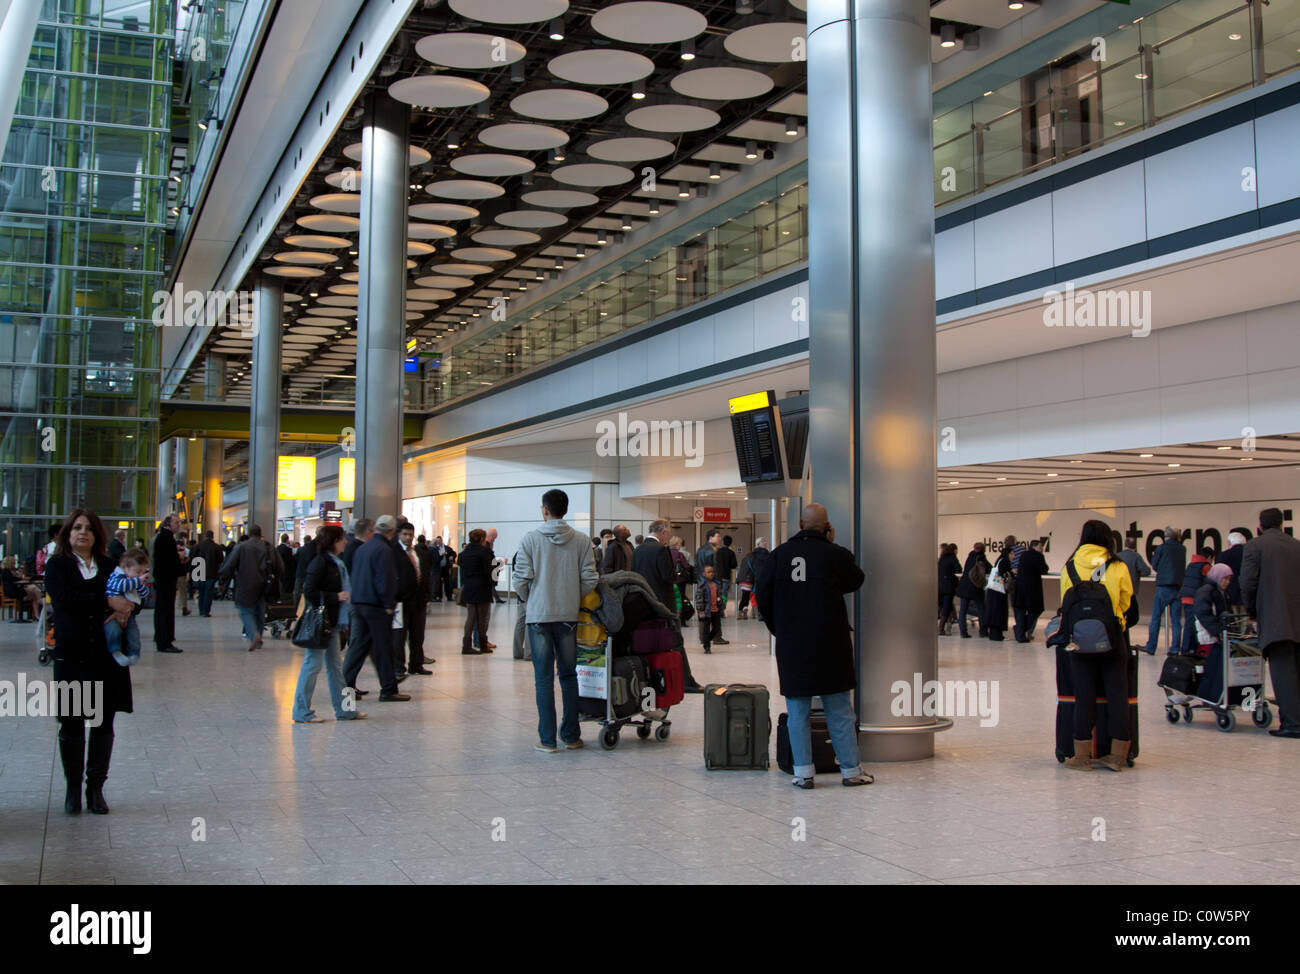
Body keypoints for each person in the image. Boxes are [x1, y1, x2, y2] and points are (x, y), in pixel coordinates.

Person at [754, 502, 872, 789]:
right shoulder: (835, 555)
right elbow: (855, 580)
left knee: (798, 711)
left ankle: (803, 772)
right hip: (831, 643)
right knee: (840, 710)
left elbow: (763, 595)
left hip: (793, 644)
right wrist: (833, 545)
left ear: (800, 523)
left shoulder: (779, 555)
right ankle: (851, 771)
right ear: (827, 526)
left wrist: (778, 629)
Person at [44, 509, 135, 814]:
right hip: (72, 655)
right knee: (72, 725)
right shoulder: (57, 565)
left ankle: (95, 788)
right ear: (67, 534)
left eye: (89, 529)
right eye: (77, 528)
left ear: (97, 535)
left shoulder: (110, 566)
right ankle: (72, 789)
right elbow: (65, 602)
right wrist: (106, 602)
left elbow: (129, 598)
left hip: (105, 656)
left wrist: (124, 608)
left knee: (103, 722)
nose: (83, 532)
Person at [513, 488, 598, 753]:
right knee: (569, 676)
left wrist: (533, 599)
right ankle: (571, 736)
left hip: (538, 617)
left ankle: (547, 739)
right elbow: (590, 579)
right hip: (568, 617)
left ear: (544, 509)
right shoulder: (582, 541)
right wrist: (571, 596)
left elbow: (520, 580)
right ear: (565, 509)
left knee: (543, 679)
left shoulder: (530, 539)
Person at [1059, 519, 1134, 772]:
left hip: (1079, 642)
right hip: (1113, 639)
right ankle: (1117, 755)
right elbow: (1126, 601)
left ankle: (1081, 756)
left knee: (1083, 696)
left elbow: (1065, 604)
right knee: (1117, 695)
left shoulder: (1069, 566)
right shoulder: (1118, 565)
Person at [294, 523, 367, 723]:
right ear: (334, 542)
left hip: (333, 623)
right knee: (312, 665)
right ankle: (301, 711)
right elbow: (309, 592)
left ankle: (346, 710)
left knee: (336, 668)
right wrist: (337, 596)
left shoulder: (336, 563)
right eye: (342, 538)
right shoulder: (320, 563)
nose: (345, 541)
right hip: (322, 624)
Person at [1240, 508, 1300, 738]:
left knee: (1283, 672)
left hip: (1276, 619)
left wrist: (1252, 611)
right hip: (1296, 617)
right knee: (1296, 670)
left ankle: (1292, 724)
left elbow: (1247, 583)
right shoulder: (1296, 545)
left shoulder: (1255, 546)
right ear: (1282, 524)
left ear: (1260, 525)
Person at [342, 515, 409, 702]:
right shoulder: (384, 550)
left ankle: (345, 686)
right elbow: (385, 579)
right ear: (392, 531)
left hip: (359, 603)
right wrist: (388, 604)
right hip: (376, 606)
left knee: (358, 647)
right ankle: (388, 689)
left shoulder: (362, 548)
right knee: (383, 648)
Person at [633, 519, 702, 692]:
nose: (668, 538)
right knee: (676, 641)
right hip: (663, 604)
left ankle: (649, 682)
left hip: (643, 604)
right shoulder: (660, 550)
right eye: (668, 534)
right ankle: (686, 682)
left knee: (648, 643)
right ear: (662, 532)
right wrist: (678, 573)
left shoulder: (638, 549)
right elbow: (668, 577)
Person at [217, 525, 282, 652]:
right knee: (260, 612)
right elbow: (280, 567)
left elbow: (229, 565)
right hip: (264, 584)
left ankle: (253, 635)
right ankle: (259, 640)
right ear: (260, 533)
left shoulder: (241, 547)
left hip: (245, 584)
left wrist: (222, 579)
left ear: (249, 533)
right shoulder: (268, 547)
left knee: (246, 611)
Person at [393, 520, 431, 674]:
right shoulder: (393, 553)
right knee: (399, 637)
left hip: (418, 601)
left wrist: (426, 596)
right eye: (405, 534)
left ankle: (416, 664)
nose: (408, 537)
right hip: (401, 602)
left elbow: (424, 574)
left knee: (417, 636)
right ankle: (398, 667)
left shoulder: (417, 552)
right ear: (398, 535)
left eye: (410, 534)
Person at [1143, 526, 1186, 655]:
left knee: (1156, 618)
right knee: (1176, 620)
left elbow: (1154, 564)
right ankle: (1174, 649)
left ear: (1165, 536)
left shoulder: (1161, 548)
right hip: (1178, 587)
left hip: (1163, 586)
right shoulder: (1182, 549)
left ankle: (1151, 647)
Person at [104, 548, 151, 666]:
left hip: (130, 613)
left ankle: (134, 652)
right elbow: (120, 587)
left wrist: (140, 584)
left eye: (143, 572)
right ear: (124, 568)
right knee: (113, 631)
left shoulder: (134, 579)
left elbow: (144, 594)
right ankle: (115, 650)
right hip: (111, 613)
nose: (140, 575)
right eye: (138, 571)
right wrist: (137, 581)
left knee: (133, 633)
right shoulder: (117, 576)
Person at [458, 529, 495, 654]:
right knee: (482, 618)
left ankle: (466, 645)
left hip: (468, 587)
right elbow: (488, 570)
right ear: (482, 539)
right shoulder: (484, 552)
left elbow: (461, 566)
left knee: (470, 618)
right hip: (482, 587)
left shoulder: (464, 553)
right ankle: (483, 645)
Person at [149, 515, 183, 653]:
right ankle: (165, 641)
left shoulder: (162, 537)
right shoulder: (166, 538)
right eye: (176, 522)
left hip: (162, 579)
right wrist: (178, 559)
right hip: (166, 579)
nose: (178, 525)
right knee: (165, 610)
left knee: (162, 609)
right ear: (168, 524)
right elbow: (166, 561)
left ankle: (161, 638)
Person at [1176, 546, 1215, 655]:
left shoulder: (1191, 564)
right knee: (1192, 625)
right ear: (1210, 557)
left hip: (1185, 597)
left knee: (1190, 623)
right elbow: (1210, 581)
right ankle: (1186, 649)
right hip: (1194, 598)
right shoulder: (1206, 566)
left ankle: (1188, 648)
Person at [1012, 539, 1049, 643]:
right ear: (1035, 546)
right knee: (1036, 610)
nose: (1042, 549)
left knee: (1021, 611)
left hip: (1020, 588)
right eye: (1040, 546)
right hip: (1033, 588)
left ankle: (1020, 633)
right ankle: (1021, 631)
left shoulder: (1023, 555)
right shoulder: (1039, 556)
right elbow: (1044, 569)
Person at [956, 542, 991, 638]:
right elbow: (989, 569)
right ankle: (983, 631)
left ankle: (963, 631)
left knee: (963, 610)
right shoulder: (981, 558)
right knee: (981, 609)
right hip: (976, 587)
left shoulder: (969, 557)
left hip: (964, 586)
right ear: (983, 549)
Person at [984, 536, 1015, 641]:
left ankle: (995, 634)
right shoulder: (1005, 562)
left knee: (994, 612)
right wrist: (1011, 573)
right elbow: (1002, 574)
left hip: (994, 590)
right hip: (998, 591)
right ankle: (997, 634)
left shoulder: (1000, 560)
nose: (1013, 556)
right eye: (1011, 554)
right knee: (998, 612)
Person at [191, 530, 224, 617]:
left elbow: (193, 558)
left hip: (200, 571)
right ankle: (206, 611)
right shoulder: (216, 547)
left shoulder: (198, 546)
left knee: (201, 591)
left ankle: (201, 610)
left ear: (205, 536)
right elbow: (220, 560)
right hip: (211, 572)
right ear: (213, 536)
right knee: (208, 592)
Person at [693, 564, 725, 653]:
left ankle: (706, 640)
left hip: (716, 610)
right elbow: (699, 599)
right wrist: (700, 610)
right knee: (706, 629)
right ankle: (707, 647)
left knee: (717, 628)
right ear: (704, 574)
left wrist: (721, 606)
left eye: (712, 572)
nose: (711, 574)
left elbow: (719, 596)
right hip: (706, 611)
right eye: (708, 572)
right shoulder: (702, 585)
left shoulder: (717, 584)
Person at [1117, 537, 1151, 618]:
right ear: (1135, 547)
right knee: (1133, 616)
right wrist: (1137, 573)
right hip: (1130, 592)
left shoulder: (1117, 556)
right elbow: (1146, 571)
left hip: (1118, 591)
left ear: (1124, 545)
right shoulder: (1136, 556)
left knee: (1120, 615)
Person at [1219, 531, 1248, 614]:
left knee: (1233, 618)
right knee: (1243, 617)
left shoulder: (1224, 555)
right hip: (1245, 591)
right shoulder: (1249, 554)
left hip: (1230, 591)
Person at [936, 543, 961, 635]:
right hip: (949, 586)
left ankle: (947, 627)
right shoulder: (952, 558)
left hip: (939, 586)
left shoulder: (941, 559)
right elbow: (959, 569)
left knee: (945, 606)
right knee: (947, 607)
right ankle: (941, 628)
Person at [667, 535, 693, 621]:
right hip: (680, 579)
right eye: (680, 544)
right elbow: (687, 566)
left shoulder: (666, 553)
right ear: (677, 544)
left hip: (669, 580)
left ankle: (670, 615)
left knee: (671, 597)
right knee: (680, 598)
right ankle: (681, 618)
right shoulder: (679, 554)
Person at [714, 535, 738, 616]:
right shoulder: (731, 553)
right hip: (726, 576)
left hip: (717, 576)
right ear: (730, 543)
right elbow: (734, 565)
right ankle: (722, 610)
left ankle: (716, 609)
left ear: (723, 542)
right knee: (724, 594)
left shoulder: (717, 551)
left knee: (717, 593)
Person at [175, 531, 192, 618]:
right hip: (181, 572)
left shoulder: (172, 547)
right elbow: (186, 561)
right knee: (182, 591)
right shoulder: (184, 550)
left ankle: (180, 607)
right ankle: (184, 608)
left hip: (173, 572)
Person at [429, 536, 447, 601]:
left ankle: (434, 596)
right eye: (437, 542)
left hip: (433, 568)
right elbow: (437, 559)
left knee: (435, 583)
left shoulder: (431, 549)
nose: (438, 543)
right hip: (435, 568)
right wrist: (442, 555)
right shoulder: (433, 549)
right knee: (435, 583)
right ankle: (433, 597)